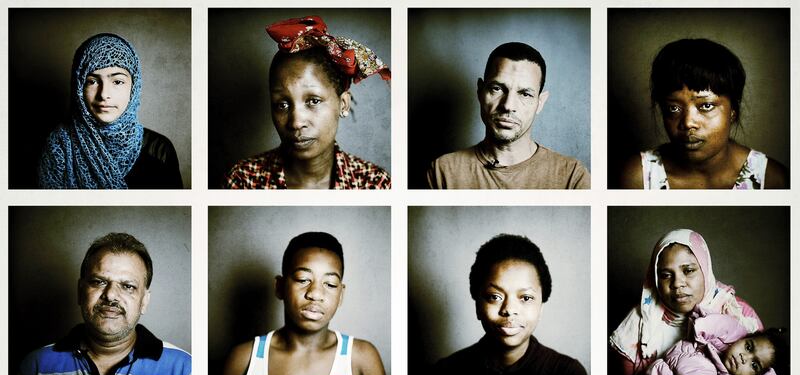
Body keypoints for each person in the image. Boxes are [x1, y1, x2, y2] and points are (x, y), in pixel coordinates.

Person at [224, 15, 390, 189]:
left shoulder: (375, 183)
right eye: (282, 105)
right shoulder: (243, 180)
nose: (296, 122)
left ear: (343, 104)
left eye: (313, 101)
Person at [17, 232, 191, 375]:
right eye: (99, 282)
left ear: (144, 301)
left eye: (127, 286)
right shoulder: (34, 368)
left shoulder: (185, 371)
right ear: (80, 292)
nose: (110, 295)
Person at [618, 38, 789, 190]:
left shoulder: (772, 180)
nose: (688, 123)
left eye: (706, 106)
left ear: (733, 112)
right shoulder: (637, 178)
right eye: (673, 108)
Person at [223, 231, 386, 375]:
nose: (315, 293)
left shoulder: (362, 359)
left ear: (341, 295)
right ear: (280, 287)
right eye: (303, 279)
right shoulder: (244, 359)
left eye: (330, 284)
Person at [426, 42, 590, 190]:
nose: (508, 106)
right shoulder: (443, 172)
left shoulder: (572, 176)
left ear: (540, 102)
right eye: (497, 88)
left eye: (525, 94)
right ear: (480, 91)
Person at [609, 228, 762, 375]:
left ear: (705, 270)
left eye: (688, 271)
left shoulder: (739, 314)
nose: (677, 284)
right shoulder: (637, 326)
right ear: (655, 279)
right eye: (665, 275)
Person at [431, 234, 587, 375]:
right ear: (477, 305)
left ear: (541, 307)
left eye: (526, 298)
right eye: (495, 297)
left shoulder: (567, 374)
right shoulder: (445, 372)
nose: (509, 310)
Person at [38, 33, 182, 189]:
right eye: (92, 81)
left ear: (133, 88)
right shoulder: (57, 147)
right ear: (78, 87)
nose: (104, 94)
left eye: (117, 81)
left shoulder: (159, 150)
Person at [641, 313, 787, 375]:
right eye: (748, 347)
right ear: (743, 338)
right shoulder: (720, 339)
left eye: (754, 365)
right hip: (672, 365)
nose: (744, 358)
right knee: (708, 372)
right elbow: (715, 324)